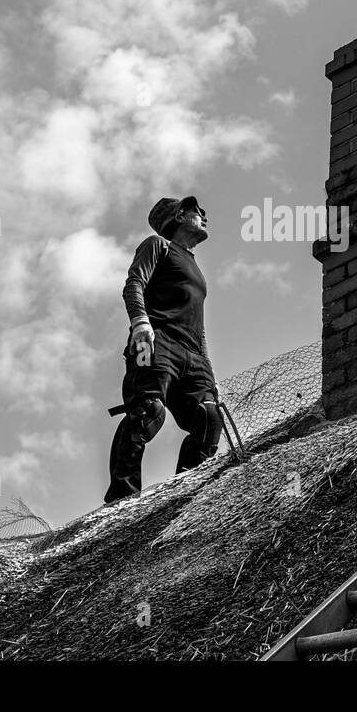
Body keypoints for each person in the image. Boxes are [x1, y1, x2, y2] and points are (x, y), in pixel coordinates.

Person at [104, 196, 223, 503]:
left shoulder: (195, 266)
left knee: (208, 418)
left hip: (193, 353)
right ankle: (121, 498)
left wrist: (208, 366)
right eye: (197, 210)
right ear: (179, 217)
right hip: (156, 343)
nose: (204, 215)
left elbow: (198, 320)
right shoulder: (158, 246)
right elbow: (134, 284)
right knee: (148, 411)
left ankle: (186, 491)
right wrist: (141, 323)